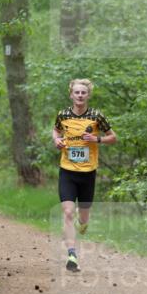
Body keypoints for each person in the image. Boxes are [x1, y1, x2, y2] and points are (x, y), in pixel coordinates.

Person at [52, 79, 116, 271]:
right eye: (77, 92)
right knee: (68, 212)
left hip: (88, 173)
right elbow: (56, 131)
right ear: (71, 95)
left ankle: (83, 222)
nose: (80, 95)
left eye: (83, 92)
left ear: (88, 95)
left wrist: (97, 139)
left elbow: (113, 137)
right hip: (67, 171)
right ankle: (72, 255)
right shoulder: (63, 115)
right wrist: (57, 140)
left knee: (83, 218)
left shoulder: (97, 116)